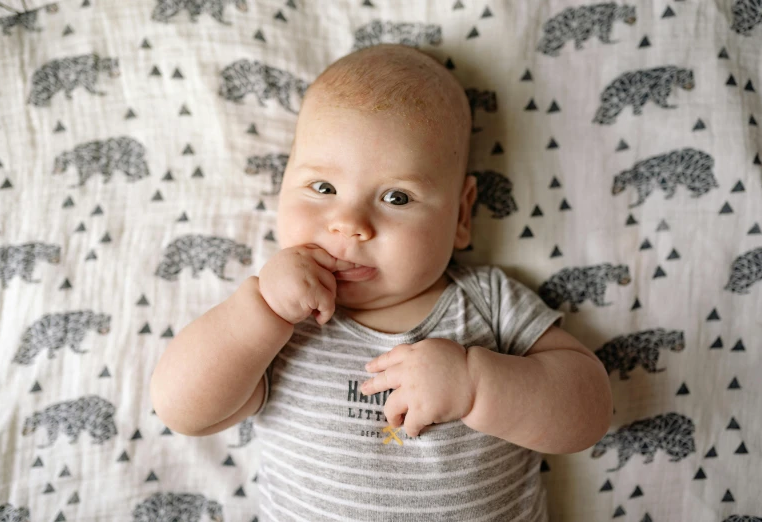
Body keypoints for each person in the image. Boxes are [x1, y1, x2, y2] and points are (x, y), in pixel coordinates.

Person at [150, 43, 613, 521]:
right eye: (323, 188)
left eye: (396, 196)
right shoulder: (279, 327)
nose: (349, 223)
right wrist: (260, 313)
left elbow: (589, 412)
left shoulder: (486, 303)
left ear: (460, 214)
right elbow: (181, 409)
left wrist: (478, 385)